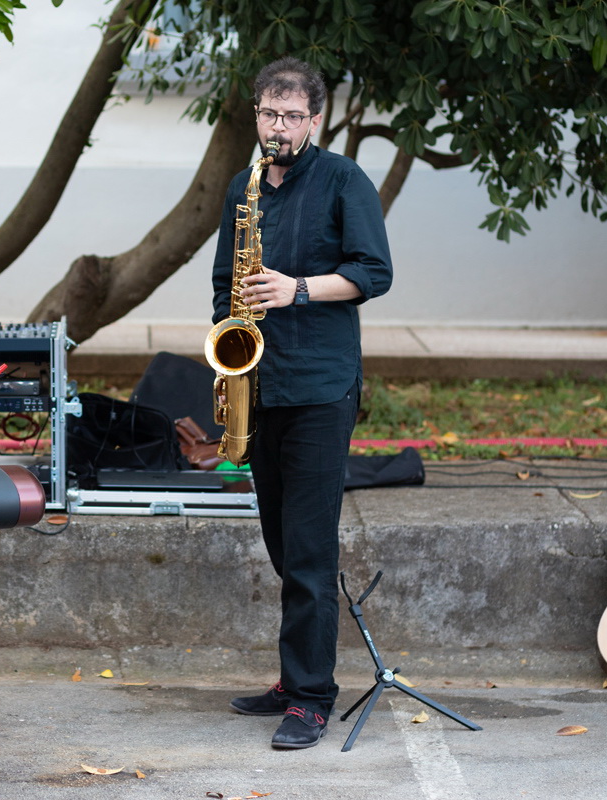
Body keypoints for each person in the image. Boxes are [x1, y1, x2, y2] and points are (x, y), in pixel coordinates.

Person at [212, 57, 393, 749]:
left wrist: (301, 289)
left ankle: (313, 698)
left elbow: (373, 273)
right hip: (259, 384)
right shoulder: (243, 187)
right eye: (268, 114)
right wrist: (225, 357)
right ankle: (294, 676)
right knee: (283, 545)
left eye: (291, 116)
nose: (278, 127)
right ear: (256, 114)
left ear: (314, 120)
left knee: (311, 551)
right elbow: (225, 279)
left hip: (320, 389)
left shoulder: (345, 181)